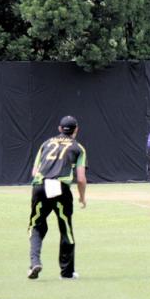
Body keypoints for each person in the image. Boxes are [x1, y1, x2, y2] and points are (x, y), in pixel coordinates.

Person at [28, 116, 87, 280]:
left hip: (40, 186)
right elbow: (81, 178)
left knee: (36, 226)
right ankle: (67, 272)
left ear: (60, 128)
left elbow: (34, 172)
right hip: (60, 188)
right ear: (76, 129)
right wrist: (82, 197)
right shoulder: (78, 148)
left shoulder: (45, 144)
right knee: (65, 228)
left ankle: (35, 262)